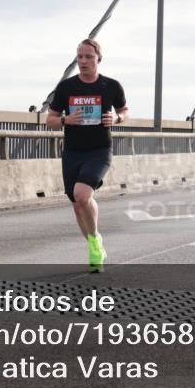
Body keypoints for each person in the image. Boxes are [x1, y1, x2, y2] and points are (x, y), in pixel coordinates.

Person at [47, 39, 128, 271]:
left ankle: (94, 244)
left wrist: (117, 119)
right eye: (79, 57)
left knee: (82, 195)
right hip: (73, 152)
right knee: (77, 204)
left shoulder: (111, 86)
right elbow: (50, 119)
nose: (83, 61)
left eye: (88, 57)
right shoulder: (66, 87)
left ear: (98, 59)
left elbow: (124, 111)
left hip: (99, 150)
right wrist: (65, 120)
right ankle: (95, 242)